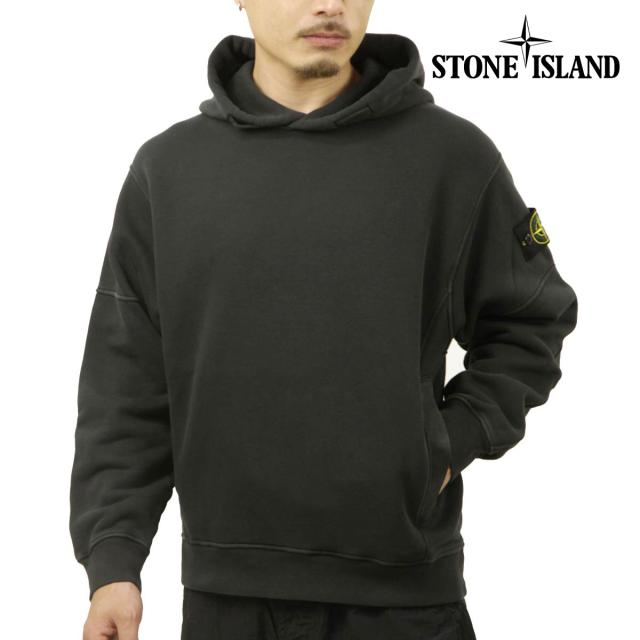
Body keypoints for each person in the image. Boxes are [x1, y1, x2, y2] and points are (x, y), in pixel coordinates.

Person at [69, 1, 579, 638]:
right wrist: (114, 564)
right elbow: (126, 385)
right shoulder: (168, 171)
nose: (330, 4)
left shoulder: (452, 157)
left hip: (403, 603)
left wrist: (448, 441)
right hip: (228, 601)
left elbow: (531, 319)